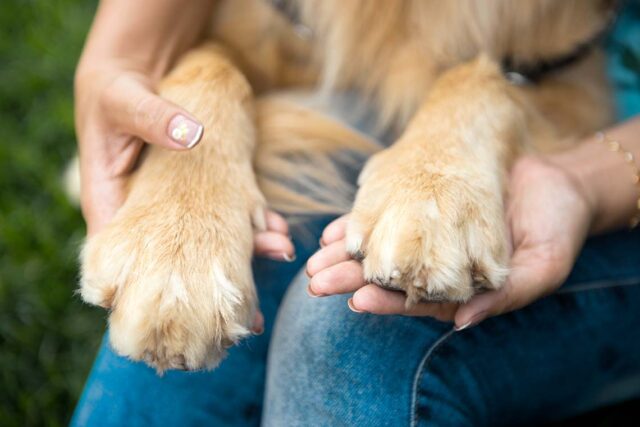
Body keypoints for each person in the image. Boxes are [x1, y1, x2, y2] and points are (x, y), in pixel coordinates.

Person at [71, 0, 640, 425]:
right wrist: (169, 95)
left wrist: (577, 180)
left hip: (611, 143)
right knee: (230, 266)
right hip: (365, 85)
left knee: (354, 327)